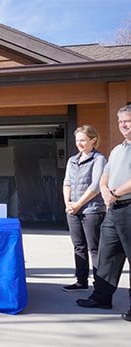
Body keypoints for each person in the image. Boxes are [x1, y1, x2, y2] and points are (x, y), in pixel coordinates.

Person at [76, 105, 131, 322]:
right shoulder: (118, 149)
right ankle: (101, 297)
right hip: (114, 208)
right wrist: (107, 191)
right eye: (120, 122)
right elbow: (105, 175)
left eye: (128, 120)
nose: (123, 125)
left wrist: (115, 192)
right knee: (107, 255)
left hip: (127, 205)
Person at [62, 125, 107, 291]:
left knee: (94, 248)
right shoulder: (72, 160)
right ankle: (81, 281)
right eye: (77, 140)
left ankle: (101, 285)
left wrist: (79, 203)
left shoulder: (99, 159)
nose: (79, 143)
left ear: (93, 140)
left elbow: (96, 185)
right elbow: (67, 182)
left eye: (83, 140)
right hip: (73, 210)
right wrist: (68, 203)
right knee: (78, 246)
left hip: (92, 210)